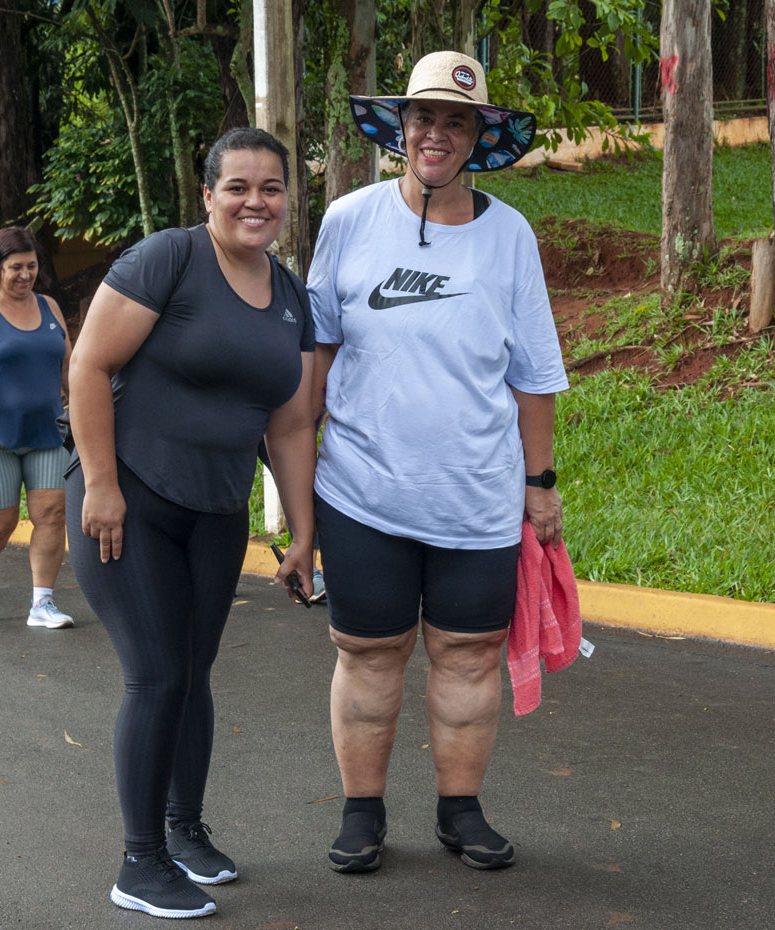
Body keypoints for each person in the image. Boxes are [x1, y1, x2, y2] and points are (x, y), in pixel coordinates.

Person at [307, 51, 568, 873]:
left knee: (468, 654)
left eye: (457, 121)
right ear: (401, 127)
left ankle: (461, 810)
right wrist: (294, 491)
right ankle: (361, 813)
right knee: (369, 653)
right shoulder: (348, 220)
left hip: (477, 496)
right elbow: (316, 356)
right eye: (424, 117)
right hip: (361, 492)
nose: (437, 134)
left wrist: (540, 485)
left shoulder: (510, 235)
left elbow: (534, 376)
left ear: (478, 136)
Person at [67, 127, 317, 920]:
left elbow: (289, 426)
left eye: (270, 187)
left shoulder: (290, 296)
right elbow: (89, 364)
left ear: (287, 199)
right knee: (157, 672)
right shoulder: (168, 259)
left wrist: (304, 534)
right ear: (208, 194)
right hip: (127, 499)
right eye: (237, 186)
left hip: (216, 510)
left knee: (194, 671)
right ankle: (139, 863)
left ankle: (183, 831)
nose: (255, 201)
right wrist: (100, 485)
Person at [0, 227, 74, 629]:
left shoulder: (49, 306)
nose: (25, 274)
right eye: (16, 267)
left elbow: (68, 367)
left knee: (52, 514)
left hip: (48, 434)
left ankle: (42, 603)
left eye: (31, 266)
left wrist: (80, 409)